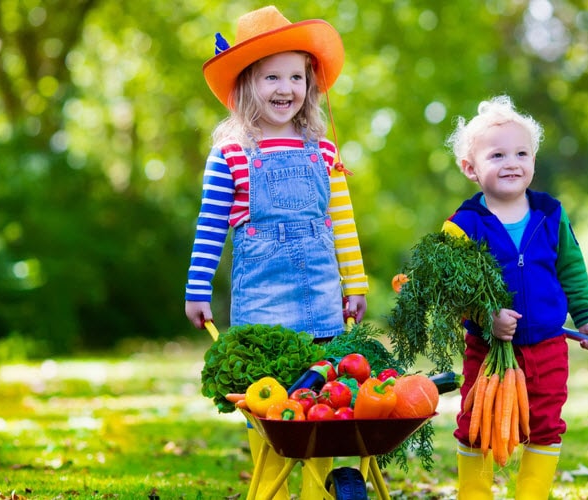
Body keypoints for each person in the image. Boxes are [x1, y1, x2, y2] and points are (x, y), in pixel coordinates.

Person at [183, 6, 368, 499]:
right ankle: (274, 486)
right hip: (262, 307)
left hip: (323, 300)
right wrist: (197, 287)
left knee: (319, 401)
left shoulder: (323, 152)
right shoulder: (231, 155)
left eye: (295, 76)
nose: (285, 88)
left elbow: (342, 226)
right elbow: (209, 229)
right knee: (268, 404)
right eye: (271, 77)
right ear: (246, 83)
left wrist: (356, 284)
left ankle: (314, 489)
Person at [443, 95, 588, 500]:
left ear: (533, 160)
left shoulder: (550, 214)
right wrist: (485, 317)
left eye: (521, 153)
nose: (511, 162)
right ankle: (474, 494)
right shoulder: (462, 226)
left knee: (546, 423)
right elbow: (453, 290)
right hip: (488, 350)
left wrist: (586, 317)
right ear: (470, 168)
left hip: (548, 347)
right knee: (477, 424)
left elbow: (571, 267)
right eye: (497, 155)